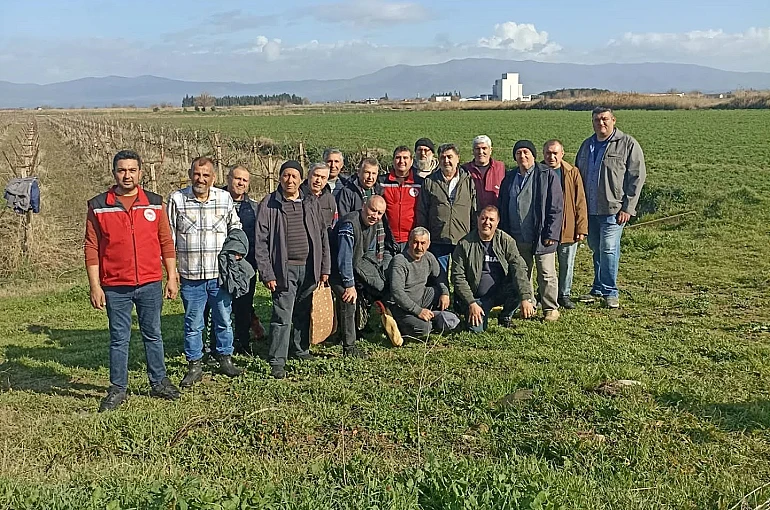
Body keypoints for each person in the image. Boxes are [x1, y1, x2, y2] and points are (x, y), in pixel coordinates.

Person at [85, 150, 181, 411]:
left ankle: (159, 381)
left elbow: (166, 242)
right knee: (119, 338)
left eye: (132, 170)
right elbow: (91, 247)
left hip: (150, 283)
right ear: (114, 173)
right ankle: (118, 388)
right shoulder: (98, 206)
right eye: (121, 170)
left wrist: (171, 276)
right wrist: (95, 286)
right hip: (115, 286)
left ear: (140, 172)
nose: (127, 175)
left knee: (153, 334)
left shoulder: (154, 203)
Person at [167, 157, 244, 388]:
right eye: (197, 174)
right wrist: (171, 272)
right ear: (190, 174)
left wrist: (236, 251)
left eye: (206, 175)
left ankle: (225, 358)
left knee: (224, 320)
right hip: (191, 276)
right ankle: (195, 364)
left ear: (214, 178)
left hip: (219, 275)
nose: (201, 179)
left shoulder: (224, 198)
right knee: (193, 323)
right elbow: (169, 238)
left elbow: (235, 226)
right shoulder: (177, 200)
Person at [254, 160, 330, 379]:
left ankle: (300, 349)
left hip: (309, 268)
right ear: (280, 178)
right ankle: (277, 360)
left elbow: (322, 236)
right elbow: (261, 242)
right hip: (283, 270)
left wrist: (324, 267)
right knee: (282, 316)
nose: (290, 180)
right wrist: (267, 273)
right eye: (286, 175)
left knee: (303, 311)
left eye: (294, 176)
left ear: (301, 179)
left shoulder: (310, 202)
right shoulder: (269, 204)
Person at [574, 107, 646, 308]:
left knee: (608, 249)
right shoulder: (587, 145)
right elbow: (576, 176)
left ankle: (610, 291)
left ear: (613, 120)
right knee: (597, 249)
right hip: (590, 210)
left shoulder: (627, 144)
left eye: (605, 119)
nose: (601, 123)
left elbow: (637, 177)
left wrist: (628, 208)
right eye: (597, 120)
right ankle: (598, 287)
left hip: (613, 210)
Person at [499, 140, 563, 321]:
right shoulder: (510, 177)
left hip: (542, 235)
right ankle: (527, 305)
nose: (522, 156)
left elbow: (556, 207)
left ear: (534, 155)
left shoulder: (547, 175)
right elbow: (503, 205)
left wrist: (551, 233)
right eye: (519, 153)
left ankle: (550, 308)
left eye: (526, 152)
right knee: (522, 272)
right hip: (516, 235)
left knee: (546, 273)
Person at [452, 206, 535, 332]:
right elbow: (458, 277)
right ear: (478, 219)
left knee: (517, 286)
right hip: (476, 297)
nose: (487, 222)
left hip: (500, 291)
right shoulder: (464, 244)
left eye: (491, 219)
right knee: (476, 330)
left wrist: (525, 298)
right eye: (483, 218)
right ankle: (467, 312)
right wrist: (471, 302)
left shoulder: (506, 241)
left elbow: (519, 267)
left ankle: (505, 315)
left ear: (497, 222)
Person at [331, 195, 396, 354]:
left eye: (380, 213)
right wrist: (349, 284)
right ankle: (349, 347)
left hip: (355, 265)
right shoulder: (349, 225)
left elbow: (369, 253)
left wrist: (371, 277)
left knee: (374, 288)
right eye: (373, 210)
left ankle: (354, 330)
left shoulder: (373, 224)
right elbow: (344, 259)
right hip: (335, 270)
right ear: (364, 206)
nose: (375, 215)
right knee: (349, 299)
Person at [416, 143, 477, 275]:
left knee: (461, 276)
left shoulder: (468, 181)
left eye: (450, 157)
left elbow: (474, 210)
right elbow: (422, 211)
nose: (446, 161)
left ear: (458, 158)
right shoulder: (430, 182)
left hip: (462, 238)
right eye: (443, 157)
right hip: (438, 239)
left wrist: (474, 235)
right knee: (439, 277)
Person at [542, 140, 588, 310]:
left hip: (568, 227)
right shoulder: (538, 171)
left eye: (555, 153)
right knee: (545, 266)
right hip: (545, 228)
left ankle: (564, 294)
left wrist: (581, 228)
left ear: (562, 154)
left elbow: (580, 202)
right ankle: (544, 293)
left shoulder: (572, 172)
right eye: (548, 153)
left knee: (567, 263)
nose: (551, 157)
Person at [388, 227, 456, 338]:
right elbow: (397, 292)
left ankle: (432, 316)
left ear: (428, 244)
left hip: (421, 298)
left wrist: (445, 293)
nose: (419, 247)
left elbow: (440, 276)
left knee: (438, 290)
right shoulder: (400, 261)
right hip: (402, 307)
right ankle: (399, 323)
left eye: (423, 243)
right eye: (415, 242)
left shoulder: (429, 257)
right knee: (425, 328)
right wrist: (418, 311)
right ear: (409, 242)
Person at [380, 146, 423, 252]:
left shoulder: (420, 183)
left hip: (412, 240)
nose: (401, 161)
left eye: (405, 158)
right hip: (387, 239)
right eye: (398, 157)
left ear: (411, 161)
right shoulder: (381, 182)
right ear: (393, 160)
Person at [462, 135, 506, 210]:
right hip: (473, 214)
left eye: (484, 148)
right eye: (477, 149)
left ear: (490, 150)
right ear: (473, 151)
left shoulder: (500, 168)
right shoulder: (465, 169)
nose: (481, 152)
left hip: (496, 214)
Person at [301, 162, 337, 229]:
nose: (318, 180)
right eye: (316, 175)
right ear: (308, 175)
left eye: (323, 177)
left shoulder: (330, 199)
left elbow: (334, 223)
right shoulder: (298, 196)